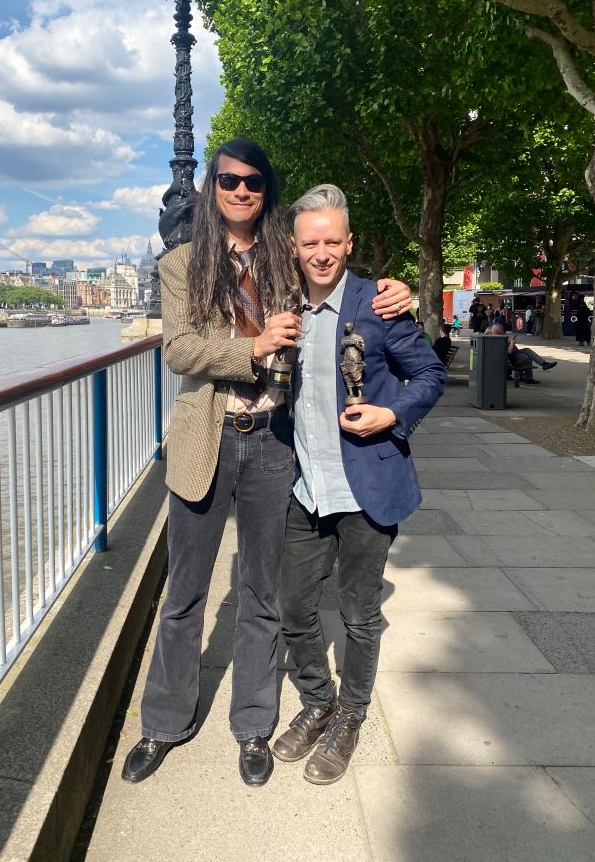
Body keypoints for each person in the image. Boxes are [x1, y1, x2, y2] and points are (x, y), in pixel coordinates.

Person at [121, 139, 411, 787]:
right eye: (228, 180)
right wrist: (250, 346)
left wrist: (398, 289)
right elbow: (181, 350)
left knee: (260, 594)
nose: (242, 191)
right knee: (184, 596)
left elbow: (337, 272)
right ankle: (164, 724)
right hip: (207, 440)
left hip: (274, 443)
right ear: (212, 189)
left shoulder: (286, 257)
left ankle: (253, 726)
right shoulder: (182, 264)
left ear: (266, 190)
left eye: (254, 182)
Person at [273, 184, 445, 785]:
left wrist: (391, 414)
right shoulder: (285, 309)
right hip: (306, 489)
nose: (321, 253)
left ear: (349, 244)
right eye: (309, 242)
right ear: (294, 249)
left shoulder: (379, 303)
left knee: (358, 614)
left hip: (366, 488)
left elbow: (428, 373)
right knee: (293, 605)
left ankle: (350, 714)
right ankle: (317, 702)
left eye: (332, 241)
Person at [490, 324, 558, 383]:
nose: (503, 331)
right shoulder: (497, 340)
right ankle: (529, 377)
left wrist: (509, 341)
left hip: (513, 355)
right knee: (526, 358)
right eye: (502, 330)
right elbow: (508, 352)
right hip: (512, 357)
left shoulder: (496, 338)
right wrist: (512, 343)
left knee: (527, 351)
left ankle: (543, 364)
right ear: (498, 332)